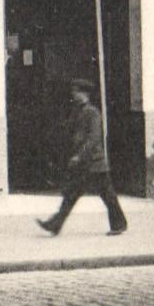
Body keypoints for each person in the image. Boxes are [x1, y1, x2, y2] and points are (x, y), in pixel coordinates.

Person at [37, 79, 127, 236]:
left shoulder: (92, 113)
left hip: (94, 163)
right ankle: (55, 224)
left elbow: (93, 139)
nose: (74, 93)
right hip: (85, 165)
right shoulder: (78, 111)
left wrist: (79, 156)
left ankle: (119, 224)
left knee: (107, 196)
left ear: (84, 94)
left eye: (77, 91)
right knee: (71, 195)